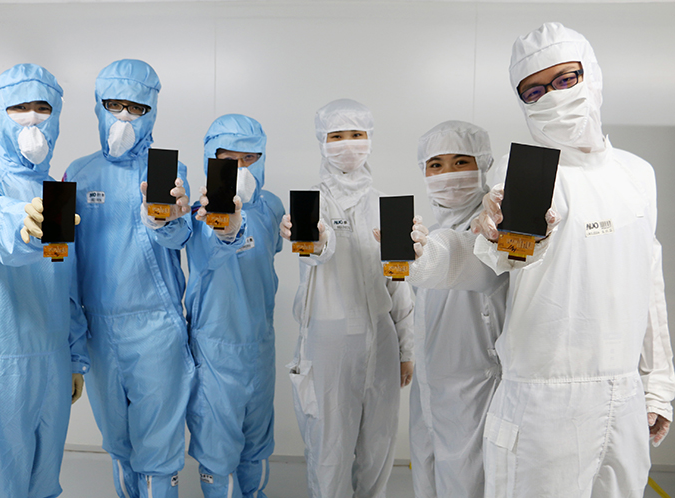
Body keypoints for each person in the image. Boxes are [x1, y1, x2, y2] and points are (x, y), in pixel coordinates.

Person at [470, 22, 675, 497]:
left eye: (565, 79)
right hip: (543, 403)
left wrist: (658, 384)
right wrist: (493, 234)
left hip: (625, 396)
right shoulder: (522, 170)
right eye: (535, 91)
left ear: (591, 74)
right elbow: (503, 257)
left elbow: (649, 280)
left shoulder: (636, 173)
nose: (554, 97)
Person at [0, 63, 89, 498]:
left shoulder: (58, 192)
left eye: (42, 108)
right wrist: (22, 223)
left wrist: (74, 358)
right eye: (19, 107)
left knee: (43, 486)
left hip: (51, 365)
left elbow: (66, 283)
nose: (32, 118)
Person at [64, 59, 194, 498]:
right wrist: (73, 349)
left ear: (151, 111)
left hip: (155, 326)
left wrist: (168, 219)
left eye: (136, 108)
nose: (124, 116)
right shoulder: (77, 173)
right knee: (118, 443)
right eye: (114, 104)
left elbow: (180, 236)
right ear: (98, 105)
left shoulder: (167, 171)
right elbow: (63, 263)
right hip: (99, 330)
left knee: (158, 447)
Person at [281, 98, 414, 498]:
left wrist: (407, 348)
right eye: (337, 136)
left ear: (370, 139)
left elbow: (398, 281)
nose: (348, 144)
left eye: (356, 134)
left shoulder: (386, 205)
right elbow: (314, 255)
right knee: (329, 448)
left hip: (382, 340)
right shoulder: (310, 203)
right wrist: (317, 244)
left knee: (378, 447)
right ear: (322, 142)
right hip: (328, 339)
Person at [399, 121, 509, 498]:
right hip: (431, 388)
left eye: (461, 162)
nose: (448, 174)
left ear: (483, 164)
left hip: (476, 388)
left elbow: (468, 263)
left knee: (468, 484)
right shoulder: (428, 231)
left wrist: (424, 259)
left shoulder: (496, 230)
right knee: (427, 479)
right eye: (436, 165)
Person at [184, 114, 283, 498]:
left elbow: (270, 253)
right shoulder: (198, 214)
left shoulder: (272, 207)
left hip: (260, 343)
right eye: (229, 160)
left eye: (249, 158)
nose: (240, 168)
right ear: (212, 160)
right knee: (218, 447)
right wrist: (225, 230)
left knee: (257, 443)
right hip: (216, 346)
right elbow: (208, 252)